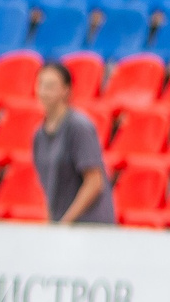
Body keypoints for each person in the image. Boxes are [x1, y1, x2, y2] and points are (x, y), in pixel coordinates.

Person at [32, 60, 116, 226]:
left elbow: (94, 181)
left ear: (66, 89)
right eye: (40, 84)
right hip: (64, 226)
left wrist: (66, 222)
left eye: (50, 86)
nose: (43, 91)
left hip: (89, 226)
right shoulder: (39, 136)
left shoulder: (79, 127)